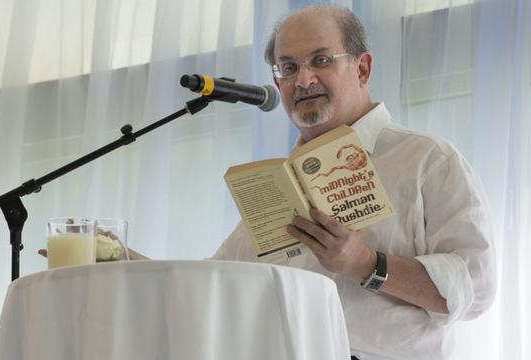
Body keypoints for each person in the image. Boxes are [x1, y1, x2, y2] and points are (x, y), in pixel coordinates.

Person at [211, 5, 496, 360]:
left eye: (321, 60)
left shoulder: (428, 158)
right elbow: (214, 284)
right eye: (289, 68)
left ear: (362, 68)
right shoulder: (276, 185)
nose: (303, 80)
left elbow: (476, 289)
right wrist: (126, 258)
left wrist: (366, 264)